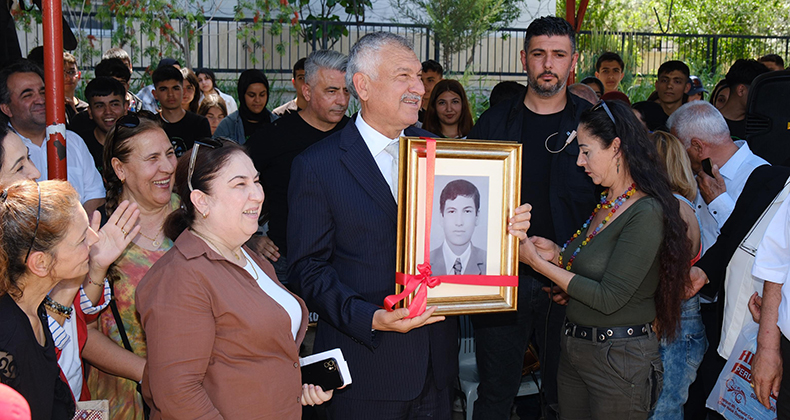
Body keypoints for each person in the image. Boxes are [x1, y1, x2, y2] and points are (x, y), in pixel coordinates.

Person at [288, 31, 531, 418]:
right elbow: (307, 268)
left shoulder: (442, 153)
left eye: (419, 76)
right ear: (363, 85)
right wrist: (368, 317)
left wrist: (505, 226)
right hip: (366, 370)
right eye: (404, 76)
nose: (419, 88)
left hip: (437, 373)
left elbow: (465, 237)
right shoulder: (318, 165)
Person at [519, 99, 690, 419]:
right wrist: (556, 254)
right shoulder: (608, 202)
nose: (580, 162)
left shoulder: (646, 210)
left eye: (586, 151)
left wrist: (538, 265)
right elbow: (592, 268)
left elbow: (609, 297)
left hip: (618, 358)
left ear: (615, 147)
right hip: (575, 349)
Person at [136, 138, 332, 418]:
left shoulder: (250, 256)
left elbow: (250, 358)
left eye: (256, 181)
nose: (257, 194)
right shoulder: (181, 277)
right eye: (240, 184)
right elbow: (177, 393)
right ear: (201, 201)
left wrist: (297, 384)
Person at [465, 16, 598, 419]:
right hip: (502, 282)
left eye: (558, 55)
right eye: (539, 54)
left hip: (568, 282)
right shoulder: (493, 122)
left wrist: (570, 268)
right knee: (496, 395)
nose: (547, 64)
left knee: (565, 399)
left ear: (572, 62)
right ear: (524, 59)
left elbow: (610, 208)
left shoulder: (592, 125)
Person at [667, 100, 769, 419]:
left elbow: (763, 250)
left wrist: (720, 204)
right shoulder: (693, 173)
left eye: (679, 148)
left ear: (697, 146)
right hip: (696, 304)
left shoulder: (764, 178)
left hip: (740, 313)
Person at [86, 113, 179, 420]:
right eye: (152, 158)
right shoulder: (95, 233)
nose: (167, 167)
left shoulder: (197, 216)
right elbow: (80, 330)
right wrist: (147, 373)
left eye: (169, 153)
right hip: (124, 400)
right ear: (119, 169)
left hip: (195, 394)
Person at [247, 49, 350, 281]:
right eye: (331, 91)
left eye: (346, 91)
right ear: (307, 90)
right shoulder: (273, 137)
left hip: (344, 267)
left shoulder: (357, 136)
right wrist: (248, 238)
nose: (341, 101)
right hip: (285, 263)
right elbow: (228, 185)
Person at [0, 180, 99, 420]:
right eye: (81, 239)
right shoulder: (8, 336)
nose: (94, 239)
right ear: (40, 263)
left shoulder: (32, 306)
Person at [647, 130, 705, 420]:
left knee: (663, 411)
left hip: (673, 323)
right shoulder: (683, 205)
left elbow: (666, 272)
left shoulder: (671, 208)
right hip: (679, 323)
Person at [0, 60, 105, 215]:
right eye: (27, 95)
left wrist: (81, 232)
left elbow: (96, 195)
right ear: (6, 108)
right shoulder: (4, 148)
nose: (41, 100)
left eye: (43, 92)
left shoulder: (72, 141)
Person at [430, 179, 486, 276]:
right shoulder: (424, 261)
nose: (459, 222)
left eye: (467, 211)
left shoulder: (491, 261)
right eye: (452, 211)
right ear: (441, 217)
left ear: (477, 217)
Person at [75, 77, 128, 173]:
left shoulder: (137, 142)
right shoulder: (79, 145)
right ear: (90, 112)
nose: (108, 112)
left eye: (114, 104)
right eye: (99, 106)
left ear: (125, 108)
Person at [151, 65, 211, 149]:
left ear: (183, 91)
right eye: (163, 89)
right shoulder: (150, 125)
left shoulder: (200, 124)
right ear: (155, 94)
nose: (170, 94)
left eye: (175, 88)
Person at [214, 69, 277, 145]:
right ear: (242, 95)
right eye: (251, 95)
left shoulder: (277, 124)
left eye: (262, 95)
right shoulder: (228, 126)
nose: (257, 100)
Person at [718, 59, 769, 139]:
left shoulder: (762, 126)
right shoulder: (707, 123)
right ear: (741, 90)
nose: (763, 96)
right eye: (760, 91)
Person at [63, 52, 88, 127]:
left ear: (79, 75)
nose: (68, 77)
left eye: (71, 72)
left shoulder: (85, 108)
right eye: (62, 73)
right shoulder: (48, 108)